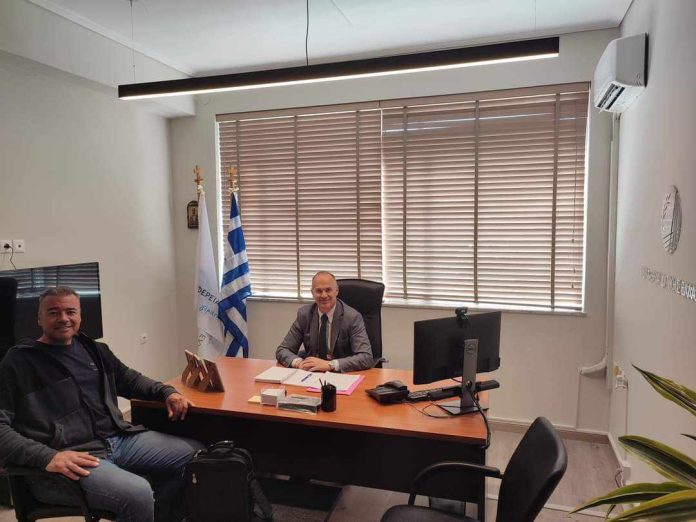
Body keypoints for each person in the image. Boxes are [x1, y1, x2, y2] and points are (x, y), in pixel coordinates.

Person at [0, 286, 204, 522]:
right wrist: (47, 457)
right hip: (71, 457)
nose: (63, 318)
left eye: (70, 311)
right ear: (39, 318)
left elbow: (131, 380)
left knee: (196, 455)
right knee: (137, 493)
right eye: (53, 312)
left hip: (117, 440)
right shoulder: (18, 363)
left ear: (80, 316)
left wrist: (167, 393)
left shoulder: (94, 350)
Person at [276, 271, 373, 372]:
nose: (323, 295)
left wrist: (330, 365)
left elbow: (366, 357)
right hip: (311, 373)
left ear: (336, 291)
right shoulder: (304, 315)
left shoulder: (352, 317)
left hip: (341, 374)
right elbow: (283, 350)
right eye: (318, 291)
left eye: (328, 290)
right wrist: (299, 363)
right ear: (312, 293)